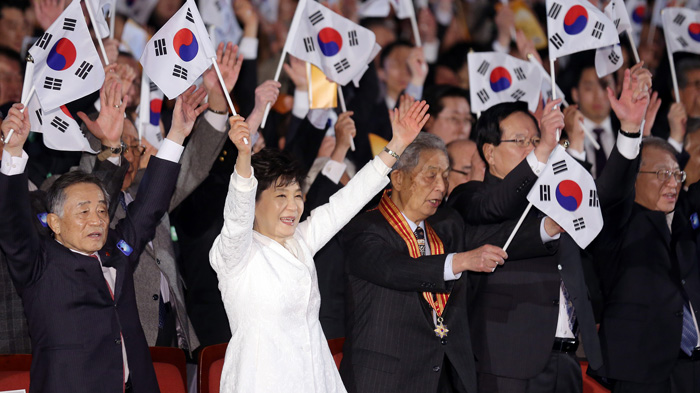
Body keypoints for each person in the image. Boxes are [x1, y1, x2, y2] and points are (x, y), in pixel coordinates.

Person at [447, 63, 652, 393]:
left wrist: (629, 129)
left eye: (536, 140)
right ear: (490, 153)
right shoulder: (471, 196)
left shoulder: (553, 194)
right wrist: (548, 222)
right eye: (520, 141)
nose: (532, 149)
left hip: (569, 359)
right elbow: (497, 209)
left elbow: (607, 195)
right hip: (507, 361)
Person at [209, 98, 430, 392]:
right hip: (260, 380)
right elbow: (236, 215)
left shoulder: (301, 239)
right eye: (280, 196)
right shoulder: (235, 253)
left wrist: (397, 144)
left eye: (297, 195)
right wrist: (244, 158)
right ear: (255, 201)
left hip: (315, 376)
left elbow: (348, 200)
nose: (293, 206)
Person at [0, 82, 207, 392]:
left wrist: (176, 135)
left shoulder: (117, 251)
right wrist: (13, 153)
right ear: (54, 222)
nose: (96, 219)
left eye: (101, 210)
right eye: (83, 212)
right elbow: (13, 223)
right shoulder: (38, 266)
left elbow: (150, 204)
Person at [340, 130, 507, 393]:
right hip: (385, 381)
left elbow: (496, 238)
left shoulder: (446, 225)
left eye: (444, 175)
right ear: (397, 178)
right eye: (431, 175)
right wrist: (460, 261)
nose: (441, 186)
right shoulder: (365, 228)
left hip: (445, 377)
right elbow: (394, 269)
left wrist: (548, 228)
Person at [594, 137, 700, 393]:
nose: (673, 183)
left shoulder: (685, 220)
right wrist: (631, 132)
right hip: (642, 372)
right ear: (634, 177)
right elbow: (613, 189)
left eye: (677, 174)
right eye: (663, 173)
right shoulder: (614, 224)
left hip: (694, 370)